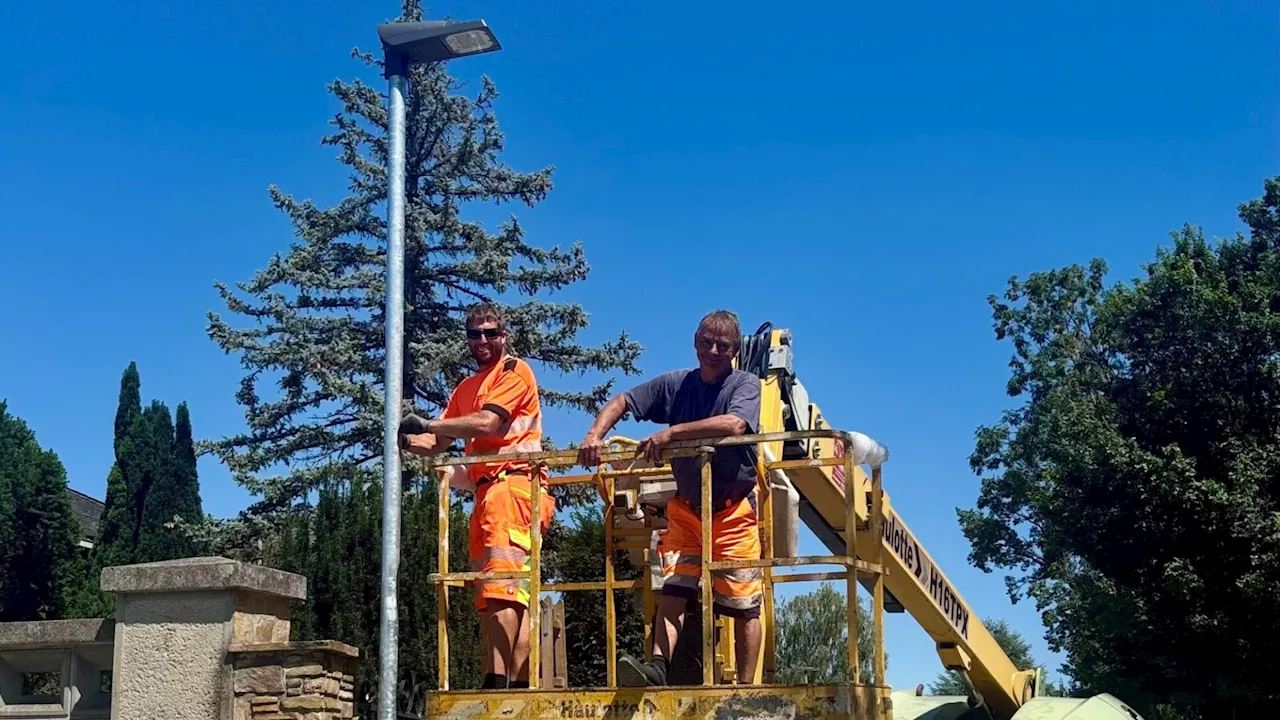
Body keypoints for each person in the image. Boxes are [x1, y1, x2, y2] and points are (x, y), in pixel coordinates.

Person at [577, 309, 763, 687]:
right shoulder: (676, 385)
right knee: (673, 589)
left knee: (745, 605)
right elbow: (623, 401)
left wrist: (670, 433)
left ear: (735, 351)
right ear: (695, 343)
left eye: (722, 345)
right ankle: (658, 668)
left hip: (732, 513)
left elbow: (734, 424)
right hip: (687, 512)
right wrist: (593, 436)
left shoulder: (745, 384)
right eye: (707, 342)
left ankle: (746, 689)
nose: (713, 350)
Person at [399, 302, 554, 690]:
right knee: (496, 594)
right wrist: (405, 439)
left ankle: (499, 684)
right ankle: (511, 686)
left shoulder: (514, 371)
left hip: (515, 487)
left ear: (504, 336)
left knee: (505, 591)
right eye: (475, 334)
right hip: (489, 495)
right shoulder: (465, 388)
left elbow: (488, 422)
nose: (482, 340)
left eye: (490, 333)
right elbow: (437, 441)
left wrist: (430, 423)